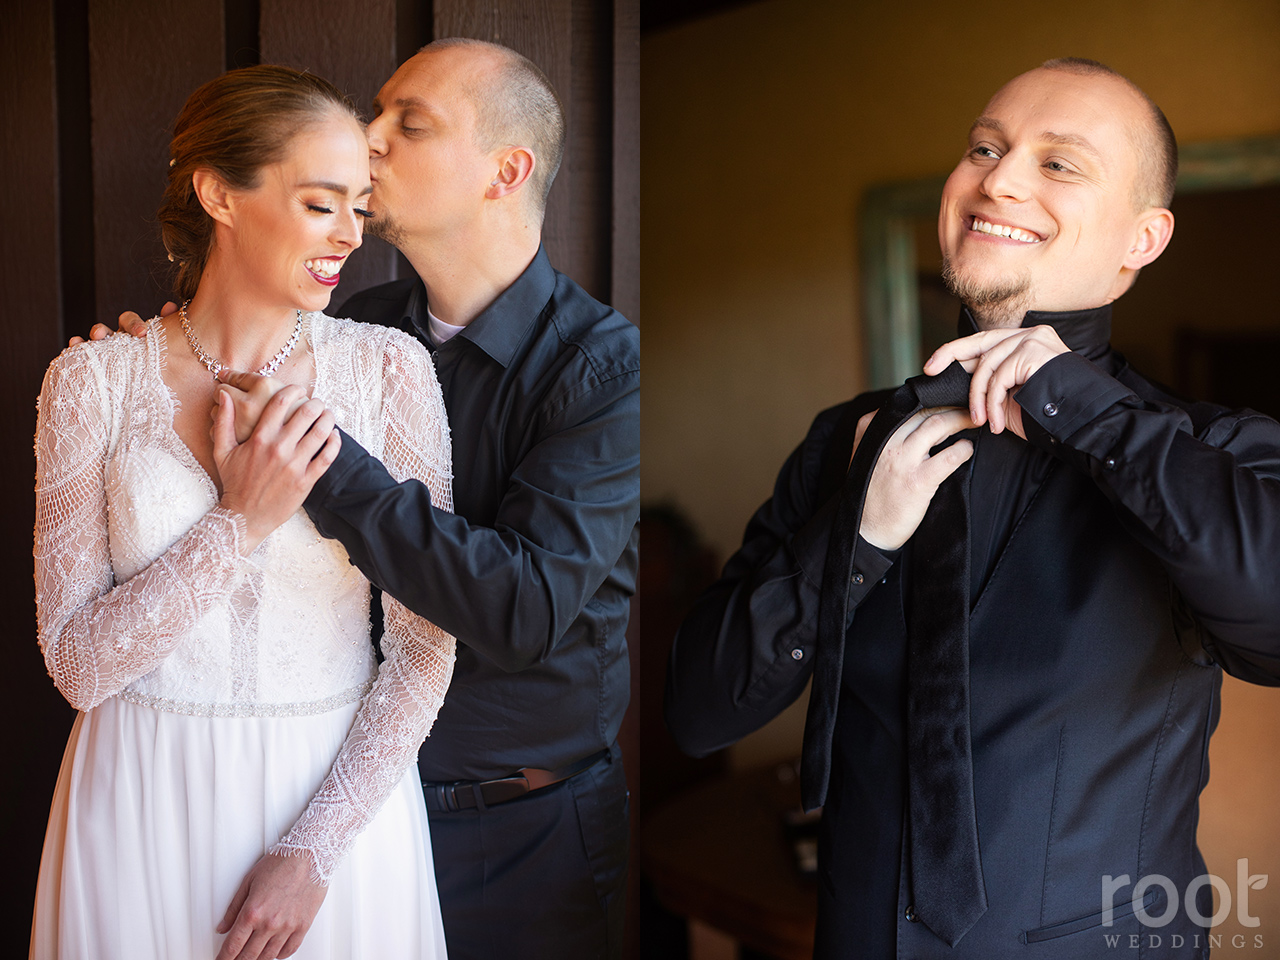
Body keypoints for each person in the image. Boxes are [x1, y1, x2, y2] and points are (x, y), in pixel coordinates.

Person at [665, 58, 1280, 959]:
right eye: (984, 148)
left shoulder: (1218, 451)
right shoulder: (847, 439)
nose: (998, 178)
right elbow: (695, 712)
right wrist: (855, 539)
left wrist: (1080, 404)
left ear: (1142, 241)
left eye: (1058, 163)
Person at [102, 38, 639, 960]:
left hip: (518, 833)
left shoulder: (605, 371)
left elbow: (521, 611)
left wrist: (321, 462)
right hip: (323, 801)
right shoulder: (348, 333)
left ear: (504, 172)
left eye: (409, 123)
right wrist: (145, 376)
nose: (367, 135)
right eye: (372, 113)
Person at [34, 65, 456, 960]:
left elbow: (425, 643)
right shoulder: (90, 382)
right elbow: (75, 665)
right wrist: (240, 522)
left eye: (359, 205)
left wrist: (314, 850)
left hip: (335, 811)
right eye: (319, 204)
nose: (351, 235)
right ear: (220, 193)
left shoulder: (389, 371)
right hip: (137, 799)